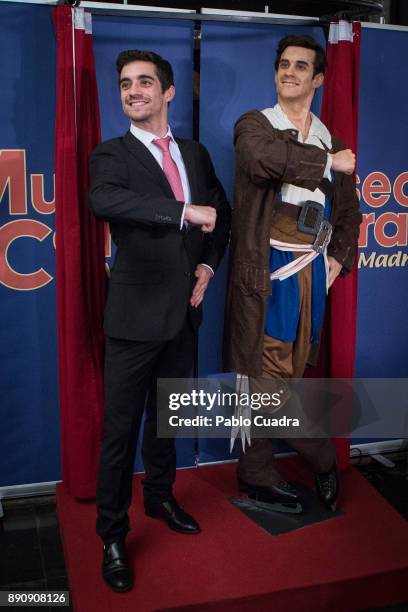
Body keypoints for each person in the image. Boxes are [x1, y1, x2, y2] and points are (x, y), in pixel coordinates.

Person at [89, 49, 230, 593]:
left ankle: (162, 496)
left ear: (168, 92)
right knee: (120, 432)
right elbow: (105, 200)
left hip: (184, 315)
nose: (134, 91)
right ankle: (112, 534)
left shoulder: (193, 153)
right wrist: (181, 213)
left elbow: (221, 214)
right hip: (132, 318)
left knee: (168, 417)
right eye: (126, 84)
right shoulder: (113, 154)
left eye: (145, 82)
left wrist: (206, 265)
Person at [224, 35, 361, 514]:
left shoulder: (331, 139)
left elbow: (349, 215)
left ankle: (256, 470)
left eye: (301, 66)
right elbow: (259, 160)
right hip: (266, 273)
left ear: (318, 78)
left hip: (311, 277)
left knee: (289, 372)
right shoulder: (255, 126)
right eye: (283, 64)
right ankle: (322, 457)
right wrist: (327, 163)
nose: (290, 72)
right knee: (267, 381)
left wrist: (334, 262)